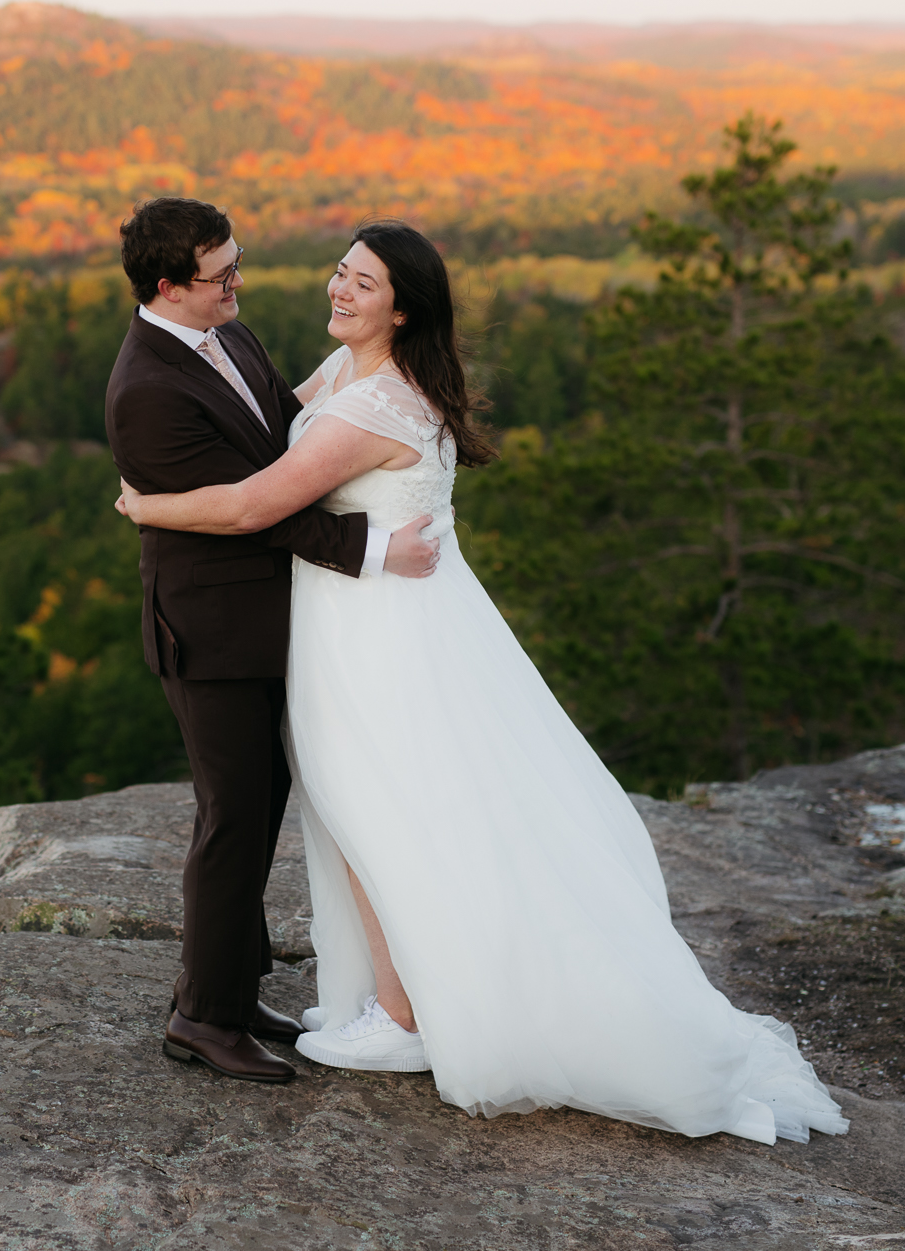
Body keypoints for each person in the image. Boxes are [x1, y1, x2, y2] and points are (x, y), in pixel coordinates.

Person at [113, 219, 849, 1144]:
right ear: (177, 281)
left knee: (381, 809)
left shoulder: (375, 402)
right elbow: (274, 434)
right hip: (351, 620)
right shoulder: (343, 376)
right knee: (358, 808)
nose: (334, 289)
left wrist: (149, 505)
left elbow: (264, 498)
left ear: (404, 308)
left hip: (377, 634)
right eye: (340, 272)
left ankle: (408, 1013)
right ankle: (351, 1001)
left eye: (363, 283)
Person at [103, 198, 442, 1087]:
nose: (238, 286)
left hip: (267, 625)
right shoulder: (147, 388)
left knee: (259, 809)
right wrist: (370, 548)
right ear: (169, 287)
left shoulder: (226, 333)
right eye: (221, 277)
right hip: (210, 633)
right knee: (232, 821)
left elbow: (282, 450)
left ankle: (233, 985)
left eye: (238, 265)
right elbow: (252, 514)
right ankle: (201, 1019)